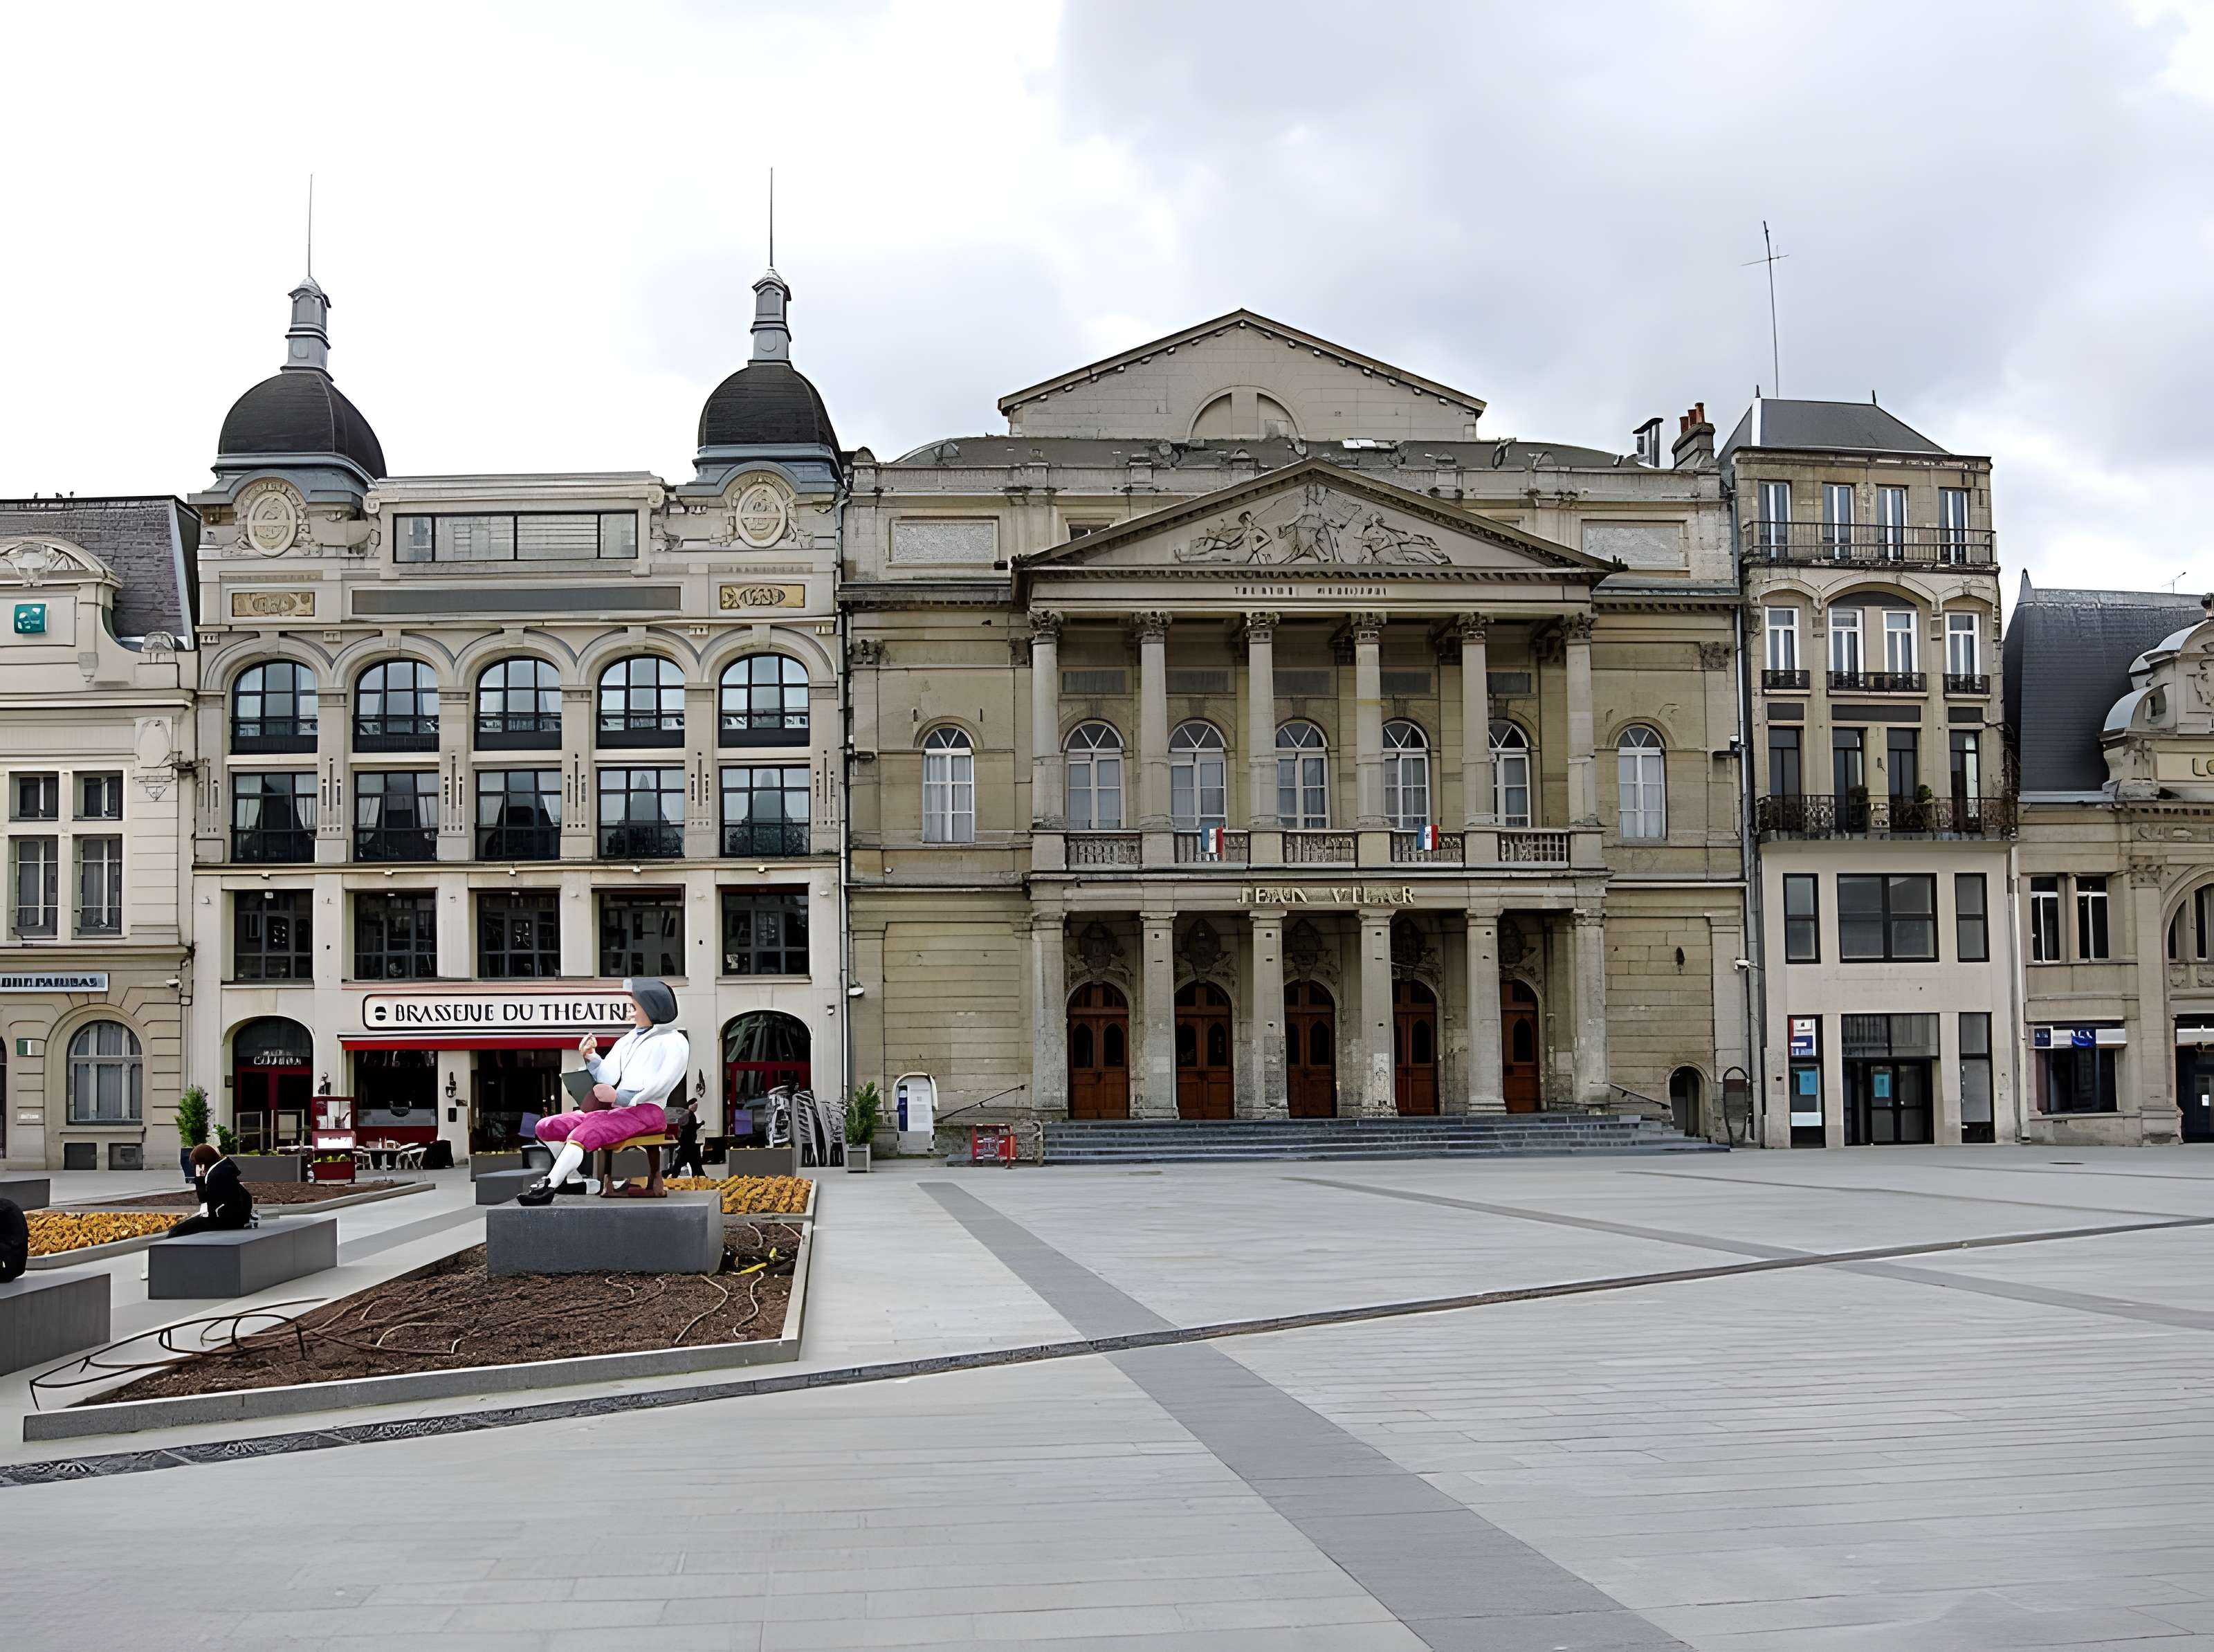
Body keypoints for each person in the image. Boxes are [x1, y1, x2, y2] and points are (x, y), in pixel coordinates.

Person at [519, 978, 688, 1205]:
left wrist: (620, 1097)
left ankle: (550, 1184)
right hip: (618, 1109)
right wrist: (590, 1056)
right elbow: (608, 1075)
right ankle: (573, 1179)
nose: (629, 1010)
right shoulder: (627, 1041)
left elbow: (664, 1081)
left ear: (651, 1007)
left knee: (586, 1131)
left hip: (648, 1110)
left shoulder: (673, 1041)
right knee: (547, 1126)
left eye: (634, 1005)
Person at [167, 1144, 253, 1237]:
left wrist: (205, 1216)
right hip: (230, 1218)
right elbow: (206, 1200)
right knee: (179, 1228)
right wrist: (200, 1179)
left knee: (176, 1232)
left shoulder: (217, 1175)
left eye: (196, 1164)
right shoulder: (222, 1169)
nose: (196, 1167)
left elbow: (211, 1204)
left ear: (202, 1163)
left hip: (226, 1220)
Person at [669, 1096, 705, 1180]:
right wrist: (700, 1125)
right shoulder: (688, 1114)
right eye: (694, 1105)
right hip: (688, 1143)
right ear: (690, 1105)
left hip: (688, 1143)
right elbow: (690, 1128)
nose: (696, 1107)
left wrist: (700, 1124)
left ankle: (698, 1177)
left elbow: (691, 1127)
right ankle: (698, 1177)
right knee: (689, 1162)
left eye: (697, 1106)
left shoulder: (689, 1114)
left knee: (690, 1162)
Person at [0, 1195, 26, 1283]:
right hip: (16, 1261)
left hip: (13, 1268)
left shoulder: (6, 1210)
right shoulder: (6, 1206)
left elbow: (16, 1241)